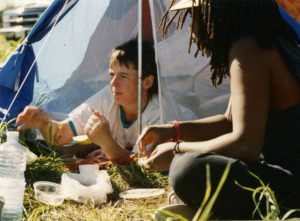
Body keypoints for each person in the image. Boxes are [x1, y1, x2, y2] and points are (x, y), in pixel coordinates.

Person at [137, 0, 300, 219]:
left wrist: (178, 150)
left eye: (194, 15)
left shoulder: (248, 50)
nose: (189, 26)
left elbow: (245, 145)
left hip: (293, 185)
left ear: (216, 12)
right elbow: (230, 122)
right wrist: (173, 131)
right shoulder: (261, 40)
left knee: (187, 169)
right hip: (285, 175)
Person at [16, 39, 160, 161]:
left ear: (147, 82)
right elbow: (62, 133)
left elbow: (144, 164)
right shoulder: (108, 97)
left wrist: (106, 143)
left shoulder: (159, 113)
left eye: (123, 76)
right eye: (111, 74)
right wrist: (44, 123)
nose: (114, 83)